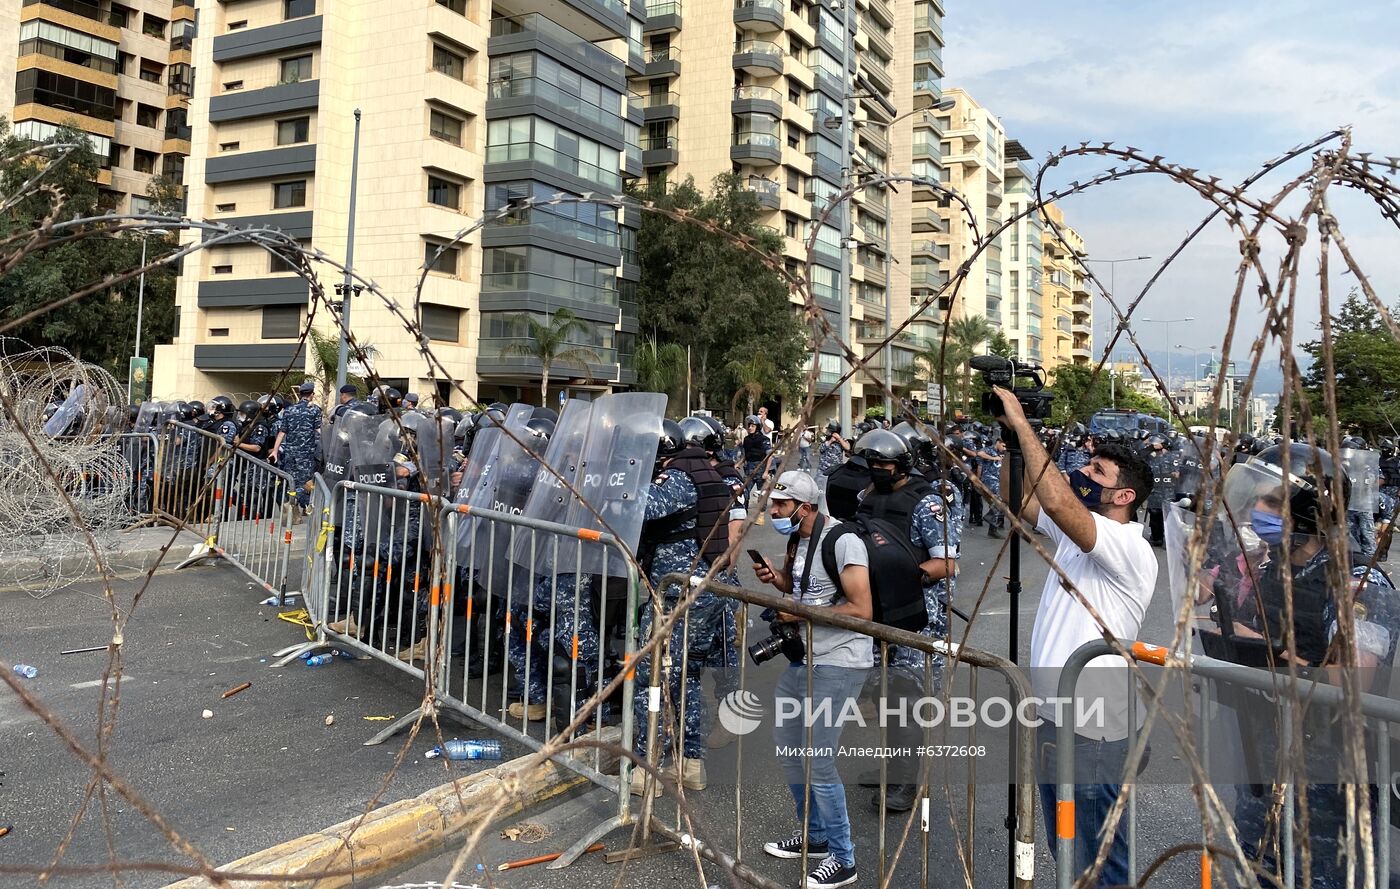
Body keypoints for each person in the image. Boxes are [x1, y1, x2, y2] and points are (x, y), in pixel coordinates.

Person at [991, 387, 1156, 889]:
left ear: (1124, 496)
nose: (1085, 473)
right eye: (1088, 465)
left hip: (1095, 730)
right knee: (1065, 845)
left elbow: (1060, 505)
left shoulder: (1128, 547)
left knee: (1098, 855)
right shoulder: (1080, 534)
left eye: (1098, 473)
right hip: (1053, 716)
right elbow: (1018, 501)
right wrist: (1011, 447)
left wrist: (1027, 427)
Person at [1214, 443, 1399, 888]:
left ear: (1311, 510)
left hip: (1327, 785)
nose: (1258, 510)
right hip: (1263, 765)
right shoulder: (1274, 571)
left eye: (1272, 501)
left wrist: (1265, 647)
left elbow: (1349, 685)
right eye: (1258, 498)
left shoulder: (1356, 582)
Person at [753, 471, 872, 889]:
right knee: (788, 746)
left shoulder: (844, 541)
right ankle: (816, 836)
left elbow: (862, 609)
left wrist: (800, 613)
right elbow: (805, 589)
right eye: (773, 505)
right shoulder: (797, 540)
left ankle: (844, 859)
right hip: (806, 657)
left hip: (841, 660)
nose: (774, 512)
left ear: (805, 507)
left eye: (781, 506)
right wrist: (778, 580)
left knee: (819, 760)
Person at [851, 429, 959, 813]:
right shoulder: (866, 498)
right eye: (873, 464)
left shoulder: (926, 503)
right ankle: (892, 765)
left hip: (918, 615)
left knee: (908, 699)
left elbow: (946, 562)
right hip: (880, 611)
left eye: (885, 464)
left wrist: (906, 575)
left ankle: (905, 783)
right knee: (885, 695)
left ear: (902, 464)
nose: (878, 470)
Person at [630, 420, 729, 797]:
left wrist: (619, 480)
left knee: (651, 678)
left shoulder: (678, 479)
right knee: (684, 679)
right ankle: (689, 765)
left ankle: (647, 769)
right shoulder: (704, 471)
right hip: (701, 591)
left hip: (679, 595)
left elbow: (642, 506)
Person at [272, 381, 324, 511]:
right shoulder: (315, 410)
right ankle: (305, 506)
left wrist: (274, 450)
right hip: (306, 453)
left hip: (290, 452)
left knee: (292, 480)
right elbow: (319, 430)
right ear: (311, 394)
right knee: (306, 481)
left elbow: (282, 432)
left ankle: (292, 506)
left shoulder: (289, 410)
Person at [1144, 433, 1176, 547]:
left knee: (1169, 518)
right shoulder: (1149, 457)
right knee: (1155, 515)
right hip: (1154, 491)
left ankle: (1169, 540)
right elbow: (1139, 455)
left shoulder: (1172, 457)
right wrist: (1150, 448)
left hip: (1168, 492)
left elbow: (1178, 473)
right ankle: (1156, 537)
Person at [975, 437, 1005, 539]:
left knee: (998, 502)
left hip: (998, 480)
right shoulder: (989, 449)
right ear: (998, 443)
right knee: (998, 501)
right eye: (1003, 445)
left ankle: (992, 526)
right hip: (989, 479)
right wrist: (993, 458)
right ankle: (991, 524)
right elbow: (979, 454)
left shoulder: (1002, 453)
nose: (1004, 448)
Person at [742, 419, 772, 507]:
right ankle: (744, 513)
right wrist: (738, 464)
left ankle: (760, 516)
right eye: (749, 426)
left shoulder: (763, 439)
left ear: (757, 427)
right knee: (744, 492)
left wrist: (766, 472)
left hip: (760, 468)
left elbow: (769, 455)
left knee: (762, 494)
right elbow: (745, 455)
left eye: (753, 426)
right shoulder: (746, 440)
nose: (750, 428)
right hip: (749, 469)